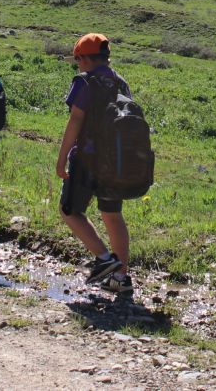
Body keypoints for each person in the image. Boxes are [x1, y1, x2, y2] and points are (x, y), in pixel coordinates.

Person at [56, 33, 133, 294]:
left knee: (70, 211)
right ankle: (120, 277)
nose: (77, 64)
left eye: (77, 59)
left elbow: (76, 121)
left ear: (86, 58)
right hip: (117, 160)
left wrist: (62, 157)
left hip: (88, 158)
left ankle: (105, 259)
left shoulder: (85, 82)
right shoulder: (121, 83)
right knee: (112, 215)